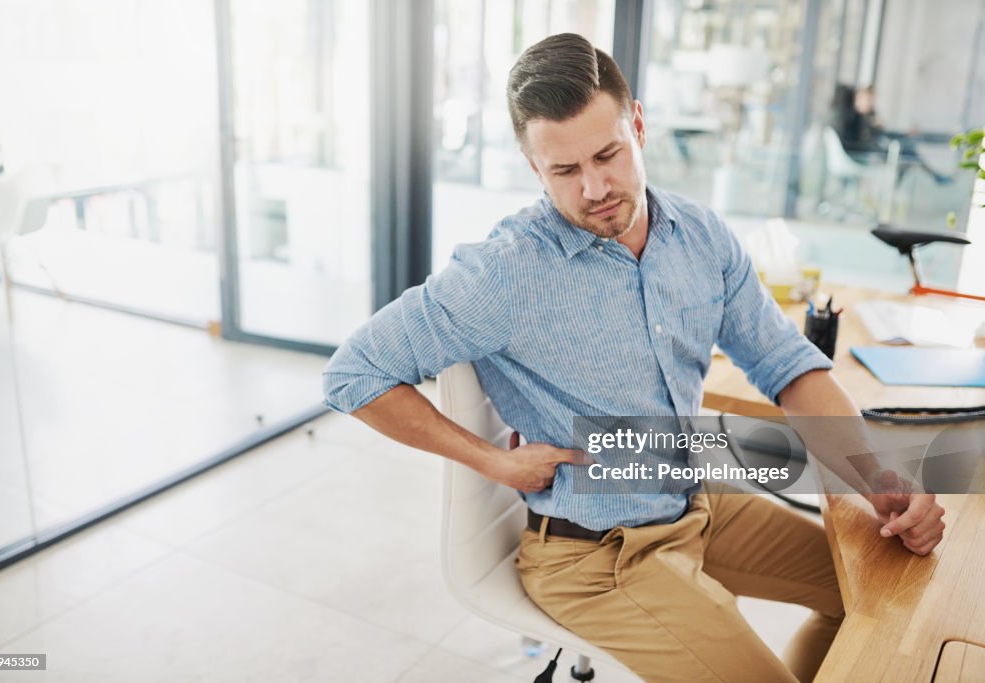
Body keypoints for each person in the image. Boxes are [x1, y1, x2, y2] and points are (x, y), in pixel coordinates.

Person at [323, 34, 946, 683]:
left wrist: (874, 473)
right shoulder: (503, 272)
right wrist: (494, 460)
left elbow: (787, 364)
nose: (595, 187)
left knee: (876, 593)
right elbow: (352, 375)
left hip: (693, 503)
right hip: (594, 557)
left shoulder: (700, 237)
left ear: (638, 125)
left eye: (608, 154)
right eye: (564, 170)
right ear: (535, 167)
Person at [827, 83, 950, 184]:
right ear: (858, 97)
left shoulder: (865, 115)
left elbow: (883, 134)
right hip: (861, 155)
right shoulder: (851, 118)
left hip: (873, 151)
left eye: (871, 100)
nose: (870, 103)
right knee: (907, 152)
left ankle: (922, 176)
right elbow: (862, 139)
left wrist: (905, 134)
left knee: (907, 151)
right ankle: (933, 176)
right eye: (868, 99)